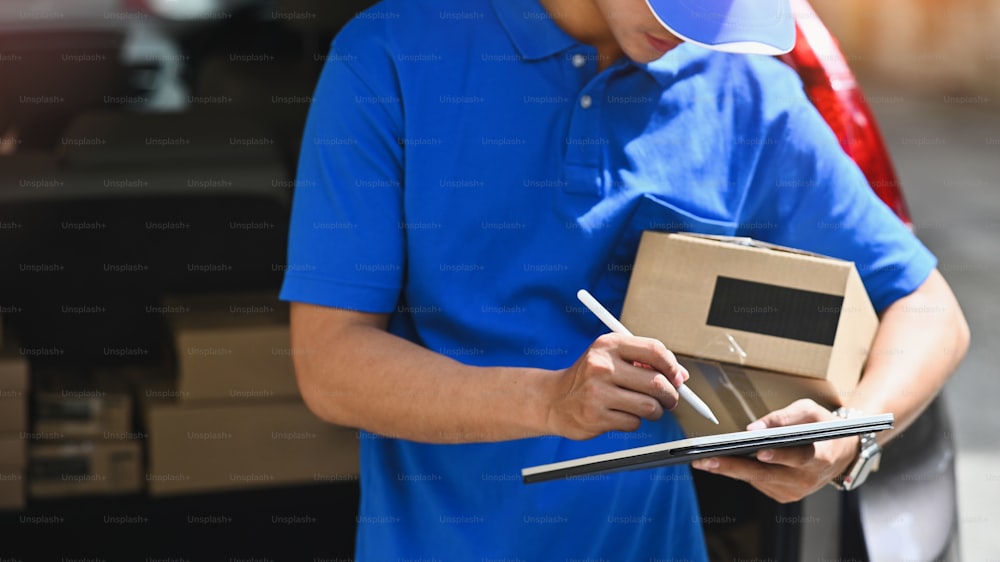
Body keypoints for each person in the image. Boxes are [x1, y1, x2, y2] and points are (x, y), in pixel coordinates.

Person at [279, 0, 970, 559]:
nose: (689, 29)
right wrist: (550, 400)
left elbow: (929, 308)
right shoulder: (392, 56)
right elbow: (330, 362)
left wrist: (848, 438)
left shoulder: (742, 87)